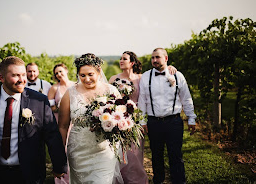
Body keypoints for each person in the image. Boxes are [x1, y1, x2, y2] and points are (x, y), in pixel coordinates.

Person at [0, 56, 67, 184]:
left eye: (23, 75)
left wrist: (59, 165)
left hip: (29, 172)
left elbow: (52, 135)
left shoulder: (38, 100)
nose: (22, 80)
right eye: (15, 75)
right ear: (2, 78)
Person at [109, 51, 176, 184]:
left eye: (124, 59)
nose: (121, 61)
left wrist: (169, 68)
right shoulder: (113, 79)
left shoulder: (141, 77)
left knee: (135, 153)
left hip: (136, 120)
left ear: (132, 63)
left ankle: (135, 180)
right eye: (120, 58)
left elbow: (158, 74)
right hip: (118, 119)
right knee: (118, 152)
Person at [59, 53, 123, 184]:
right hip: (78, 152)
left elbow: (122, 117)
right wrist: (60, 154)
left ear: (99, 71)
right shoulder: (70, 93)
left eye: (90, 74)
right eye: (82, 75)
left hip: (104, 151)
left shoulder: (111, 91)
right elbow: (63, 126)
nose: (87, 79)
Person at [138, 48, 196, 184]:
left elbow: (186, 98)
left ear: (166, 58)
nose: (154, 60)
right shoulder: (146, 76)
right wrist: (142, 121)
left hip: (174, 121)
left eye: (157, 57)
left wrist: (191, 118)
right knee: (156, 155)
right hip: (154, 123)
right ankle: (158, 180)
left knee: (175, 155)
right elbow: (142, 100)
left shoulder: (177, 76)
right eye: (152, 58)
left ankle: (179, 181)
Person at [47, 63, 74, 184]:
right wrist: (60, 107)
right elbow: (49, 107)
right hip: (60, 123)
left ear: (66, 70)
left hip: (74, 123)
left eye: (60, 71)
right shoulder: (54, 88)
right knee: (62, 150)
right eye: (56, 73)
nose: (59, 74)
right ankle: (62, 179)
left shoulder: (75, 85)